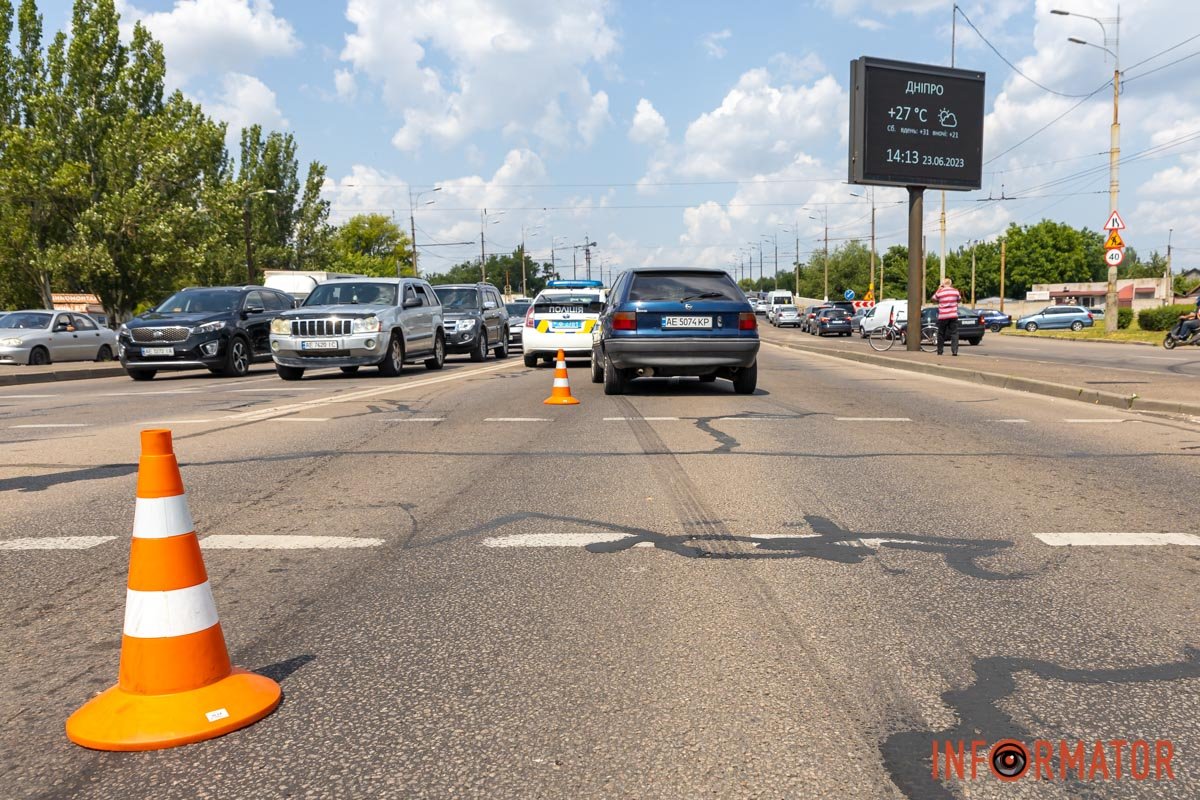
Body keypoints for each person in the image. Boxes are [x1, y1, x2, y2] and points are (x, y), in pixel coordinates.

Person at [932, 277, 962, 356]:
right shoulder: (955, 291)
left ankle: (940, 351)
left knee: (941, 333)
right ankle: (954, 351)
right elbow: (959, 299)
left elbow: (933, 299)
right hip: (953, 315)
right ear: (951, 284)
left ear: (943, 284)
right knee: (954, 333)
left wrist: (939, 289)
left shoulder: (940, 292)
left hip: (943, 316)